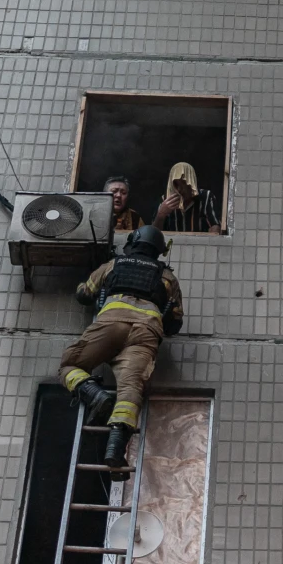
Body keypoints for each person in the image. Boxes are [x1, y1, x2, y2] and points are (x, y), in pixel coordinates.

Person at [61, 225, 184, 468]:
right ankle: (115, 449)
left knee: (70, 365)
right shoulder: (167, 277)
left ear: (133, 241)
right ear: (160, 250)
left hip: (112, 323)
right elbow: (175, 324)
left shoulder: (115, 264)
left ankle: (96, 395)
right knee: (130, 390)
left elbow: (84, 294)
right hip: (146, 332)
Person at [156, 161, 223, 234]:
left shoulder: (205, 197)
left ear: (191, 182)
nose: (179, 189)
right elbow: (153, 234)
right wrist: (161, 215)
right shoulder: (166, 200)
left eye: (184, 183)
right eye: (176, 184)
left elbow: (215, 229)